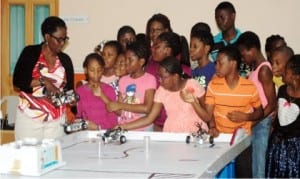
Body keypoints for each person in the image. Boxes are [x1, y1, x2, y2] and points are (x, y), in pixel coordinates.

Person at [205, 45, 263, 178]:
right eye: (216, 63)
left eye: (220, 63)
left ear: (233, 63)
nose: (216, 66)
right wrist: (212, 126)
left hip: (242, 142)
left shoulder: (249, 87)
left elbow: (260, 112)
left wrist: (246, 116)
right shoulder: (213, 85)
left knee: (243, 175)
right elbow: (209, 113)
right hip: (221, 140)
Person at [13, 16, 74, 140]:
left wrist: (72, 101)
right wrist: (44, 81)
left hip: (56, 120)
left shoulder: (65, 60)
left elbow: (69, 89)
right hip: (30, 118)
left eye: (65, 39)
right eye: (59, 39)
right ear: (47, 37)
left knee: (53, 158)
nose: (62, 43)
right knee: (28, 157)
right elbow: (18, 82)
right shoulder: (30, 52)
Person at [115, 56, 209, 133]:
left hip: (195, 132)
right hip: (173, 133)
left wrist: (193, 102)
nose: (160, 80)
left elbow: (207, 117)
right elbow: (149, 118)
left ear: (175, 77)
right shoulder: (161, 91)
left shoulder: (193, 85)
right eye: (158, 77)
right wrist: (123, 127)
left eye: (163, 77)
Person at [236, 31, 276, 178]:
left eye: (243, 53)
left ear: (252, 50)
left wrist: (254, 121)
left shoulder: (264, 70)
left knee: (259, 167)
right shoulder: (255, 69)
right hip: (256, 120)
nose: (242, 58)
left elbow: (271, 104)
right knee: (253, 166)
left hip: (262, 122)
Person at [106, 41, 157, 131]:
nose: (126, 62)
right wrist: (111, 105)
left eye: (130, 60)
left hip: (142, 129)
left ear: (141, 62)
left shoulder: (150, 79)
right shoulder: (123, 80)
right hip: (124, 128)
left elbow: (147, 108)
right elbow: (120, 111)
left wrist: (120, 105)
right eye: (126, 59)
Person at [265, 55, 300, 178]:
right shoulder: (282, 90)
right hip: (277, 144)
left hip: (296, 148)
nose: (283, 72)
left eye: (287, 70)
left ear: (296, 76)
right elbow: (277, 117)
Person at [76, 53, 117, 130]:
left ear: (103, 70)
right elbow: (79, 116)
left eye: (99, 70)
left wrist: (98, 128)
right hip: (87, 133)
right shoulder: (80, 91)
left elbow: (113, 118)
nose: (96, 74)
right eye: (92, 70)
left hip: (105, 133)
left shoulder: (109, 90)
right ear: (86, 70)